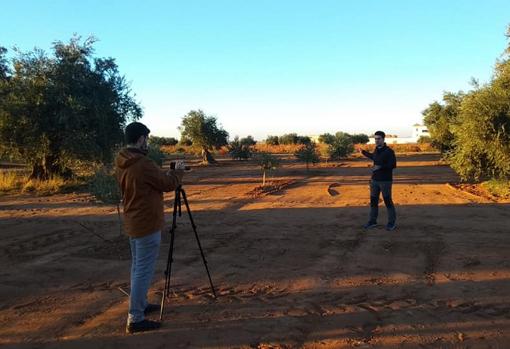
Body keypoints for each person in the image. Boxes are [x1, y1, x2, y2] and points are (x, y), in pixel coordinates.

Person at [115, 122, 185, 334]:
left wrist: (165, 174)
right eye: (146, 138)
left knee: (138, 268)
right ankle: (135, 318)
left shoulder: (122, 161)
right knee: (143, 271)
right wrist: (178, 173)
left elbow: (150, 180)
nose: (148, 142)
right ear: (141, 139)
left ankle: (141, 304)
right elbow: (166, 184)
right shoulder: (142, 163)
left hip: (134, 221)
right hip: (146, 223)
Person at [359, 131, 397, 231]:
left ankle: (391, 223)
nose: (376, 140)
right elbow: (374, 157)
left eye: (378, 138)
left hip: (385, 181)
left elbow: (393, 165)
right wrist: (363, 152)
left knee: (388, 201)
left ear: (383, 139)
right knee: (373, 202)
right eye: (375, 139)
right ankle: (372, 221)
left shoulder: (389, 152)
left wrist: (380, 167)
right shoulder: (376, 150)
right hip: (374, 180)